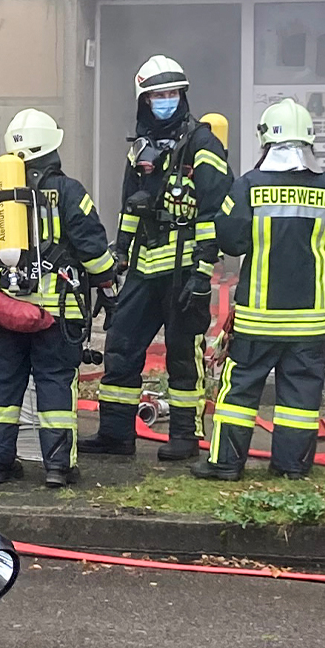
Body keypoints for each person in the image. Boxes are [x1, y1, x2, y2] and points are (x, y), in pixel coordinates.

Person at [196, 98, 325, 482]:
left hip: (259, 319)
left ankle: (226, 465)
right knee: (299, 400)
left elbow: (231, 241)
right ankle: (291, 467)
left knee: (239, 394)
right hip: (309, 320)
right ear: (310, 140)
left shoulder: (248, 186)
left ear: (266, 141)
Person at [89, 56, 232, 461]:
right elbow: (129, 208)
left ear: (182, 96)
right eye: (156, 96)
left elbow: (214, 212)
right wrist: (119, 251)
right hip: (144, 268)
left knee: (182, 353)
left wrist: (202, 273)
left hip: (185, 270)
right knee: (121, 345)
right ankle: (116, 434)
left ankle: (184, 437)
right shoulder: (140, 148)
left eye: (171, 94)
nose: (165, 102)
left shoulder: (202, 144)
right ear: (144, 101)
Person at [0, 108, 116, 489]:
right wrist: (105, 280)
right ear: (52, 147)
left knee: (1, 387)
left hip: (6, 314)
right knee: (54, 386)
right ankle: (57, 468)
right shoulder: (70, 192)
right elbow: (93, 249)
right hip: (56, 314)